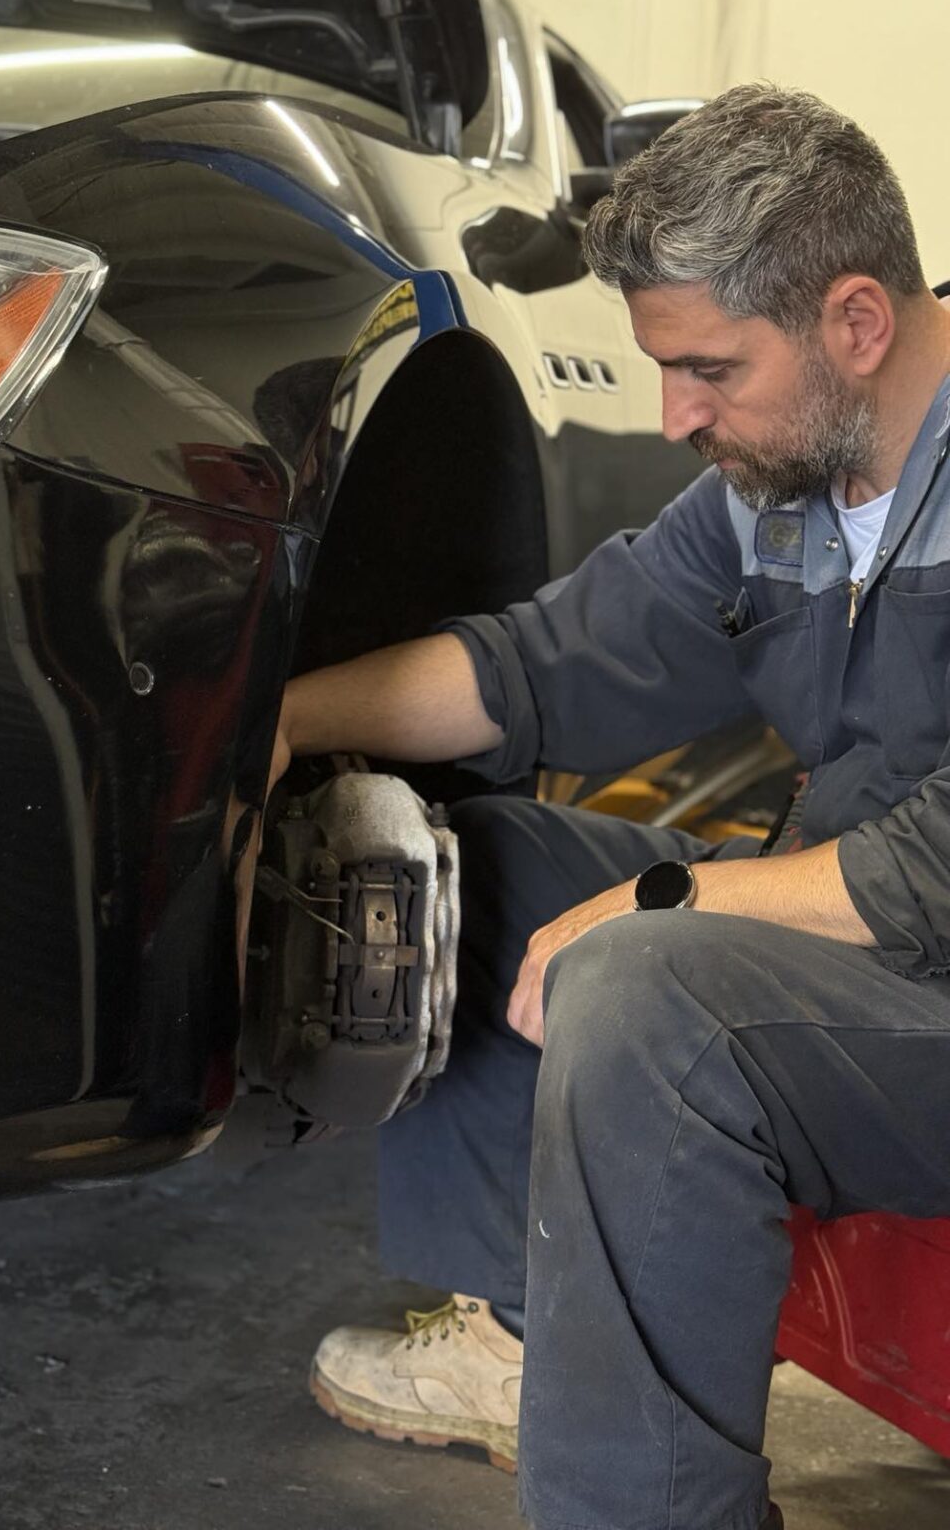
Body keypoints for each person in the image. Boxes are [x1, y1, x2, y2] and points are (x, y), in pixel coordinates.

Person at [269, 83, 950, 1530]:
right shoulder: (790, 484)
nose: (673, 415)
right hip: (874, 956)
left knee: (649, 985)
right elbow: (546, 666)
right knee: (471, 870)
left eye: (708, 368)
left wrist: (672, 901)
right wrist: (270, 727)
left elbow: (934, 871)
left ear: (857, 324)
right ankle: (536, 1344)